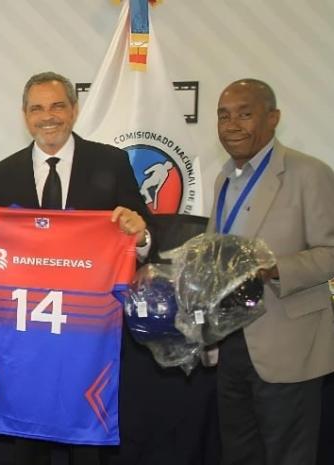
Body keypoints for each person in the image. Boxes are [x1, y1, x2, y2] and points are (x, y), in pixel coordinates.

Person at [0, 71, 152, 465]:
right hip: (28, 338)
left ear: (74, 110)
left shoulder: (111, 162)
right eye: (37, 108)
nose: (48, 116)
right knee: (28, 441)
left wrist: (139, 235)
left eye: (57, 105)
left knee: (87, 443)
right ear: (24, 116)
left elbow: (141, 233)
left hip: (88, 333)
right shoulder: (3, 173)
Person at [207, 79, 334, 465]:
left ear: (273, 118)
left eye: (245, 114)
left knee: (288, 456)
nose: (232, 125)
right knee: (239, 453)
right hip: (231, 343)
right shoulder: (224, 178)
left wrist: (273, 268)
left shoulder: (308, 173)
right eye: (224, 116)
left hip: (288, 343)